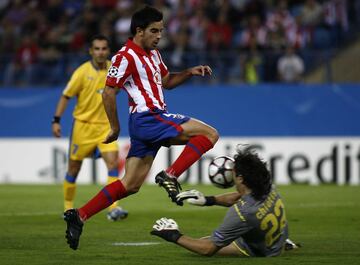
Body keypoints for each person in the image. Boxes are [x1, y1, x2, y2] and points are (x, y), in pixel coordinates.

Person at [63, 6, 218, 250]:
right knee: (209, 134)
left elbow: (166, 82)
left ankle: (79, 215)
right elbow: (109, 92)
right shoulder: (125, 57)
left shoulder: (153, 53)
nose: (159, 36)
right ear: (139, 31)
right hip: (148, 118)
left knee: (130, 185)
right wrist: (114, 128)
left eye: (161, 31)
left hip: (149, 122)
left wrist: (189, 72)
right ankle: (170, 175)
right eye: (154, 31)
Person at [151, 149, 299, 257]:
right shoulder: (268, 187)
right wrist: (208, 200)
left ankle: (266, 244)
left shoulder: (242, 213)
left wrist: (173, 235)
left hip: (259, 250)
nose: (231, 173)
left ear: (240, 178)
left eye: (234, 171)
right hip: (277, 238)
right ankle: (280, 242)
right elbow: (238, 196)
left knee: (201, 243)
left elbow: (208, 249)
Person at [52, 35, 128, 222]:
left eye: (104, 48)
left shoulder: (114, 69)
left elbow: (120, 87)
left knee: (112, 164)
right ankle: (68, 207)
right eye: (97, 49)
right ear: (91, 51)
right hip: (83, 127)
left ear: (108, 50)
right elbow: (65, 96)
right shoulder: (81, 72)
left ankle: (114, 208)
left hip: (105, 126)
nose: (101, 52)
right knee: (73, 169)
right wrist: (56, 120)